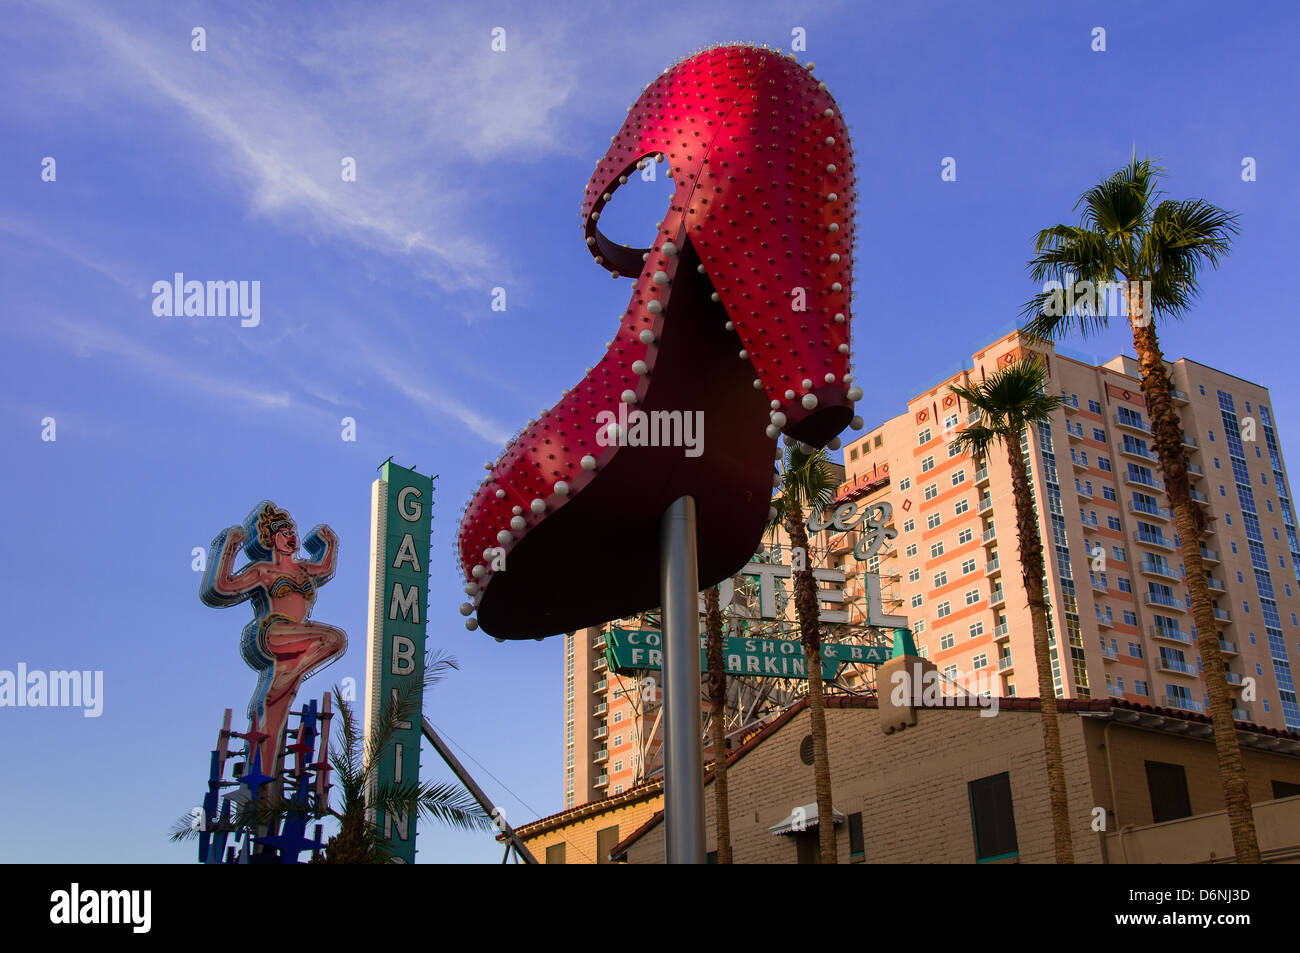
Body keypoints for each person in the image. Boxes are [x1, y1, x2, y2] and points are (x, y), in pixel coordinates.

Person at [201, 501, 346, 778]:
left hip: (296, 647)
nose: (291, 535)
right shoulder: (263, 571)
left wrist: (329, 542)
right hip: (272, 632)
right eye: (283, 531)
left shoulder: (305, 570)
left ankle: (261, 782)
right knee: (333, 638)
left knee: (275, 708)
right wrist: (228, 547)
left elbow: (325, 566)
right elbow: (221, 587)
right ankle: (288, 677)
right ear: (271, 538)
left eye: (292, 530)